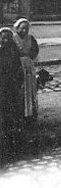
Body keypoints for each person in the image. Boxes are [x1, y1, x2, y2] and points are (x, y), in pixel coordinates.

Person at [0, 27, 24, 161]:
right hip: (2, 87)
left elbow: (18, 68)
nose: (5, 40)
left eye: (7, 38)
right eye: (2, 38)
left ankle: (12, 146)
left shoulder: (13, 51)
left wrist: (17, 82)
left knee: (12, 115)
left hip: (11, 87)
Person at [12, 18, 39, 121]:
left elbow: (35, 50)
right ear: (17, 28)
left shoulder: (31, 38)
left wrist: (28, 57)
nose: (24, 31)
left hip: (29, 67)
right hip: (17, 67)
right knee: (20, 91)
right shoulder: (13, 38)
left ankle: (30, 112)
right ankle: (20, 113)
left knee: (30, 90)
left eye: (26, 29)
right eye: (22, 28)